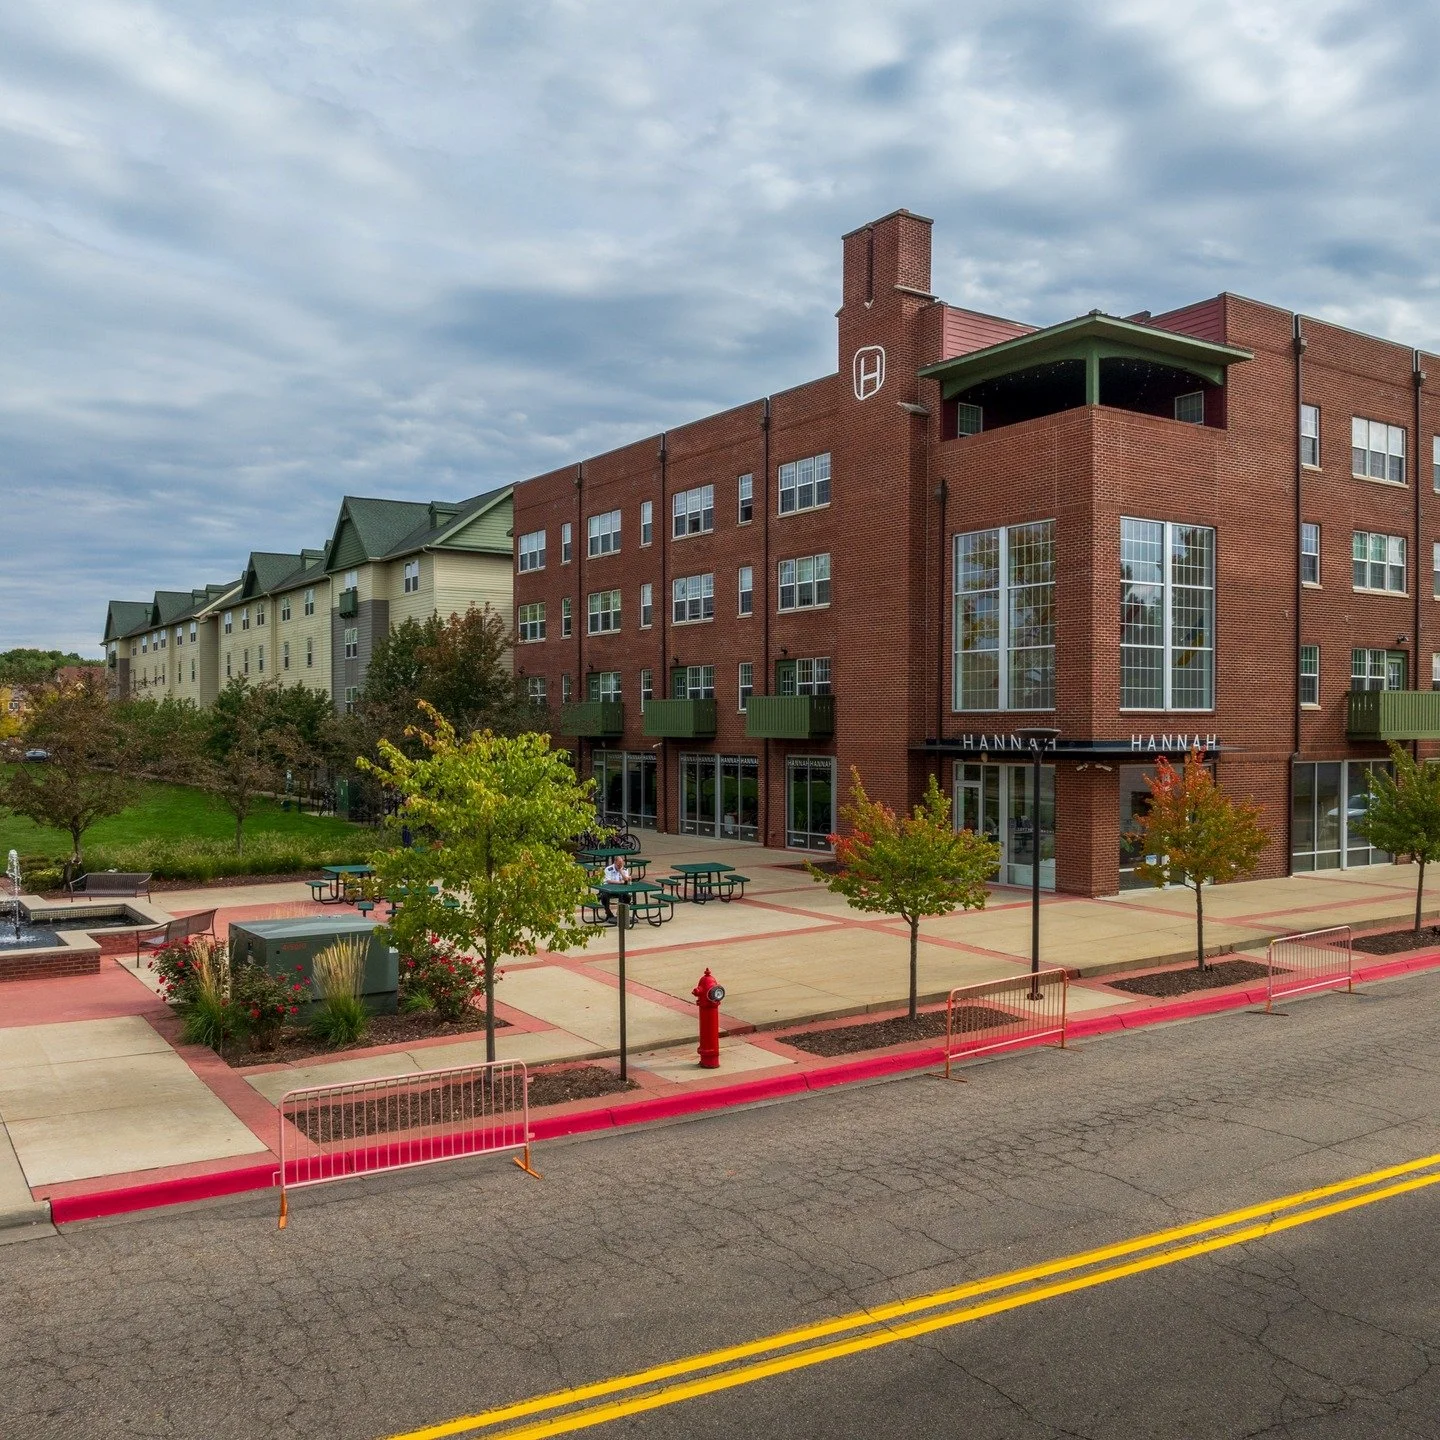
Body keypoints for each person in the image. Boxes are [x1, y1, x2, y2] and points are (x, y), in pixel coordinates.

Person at [598, 856, 631, 925]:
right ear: (615, 862)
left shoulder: (624, 869)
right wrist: (620, 882)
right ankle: (608, 913)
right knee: (604, 896)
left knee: (627, 896)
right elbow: (609, 880)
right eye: (618, 865)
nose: (620, 866)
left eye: (621, 864)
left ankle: (620, 912)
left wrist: (621, 872)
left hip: (619, 890)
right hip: (608, 889)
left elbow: (626, 880)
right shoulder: (608, 869)